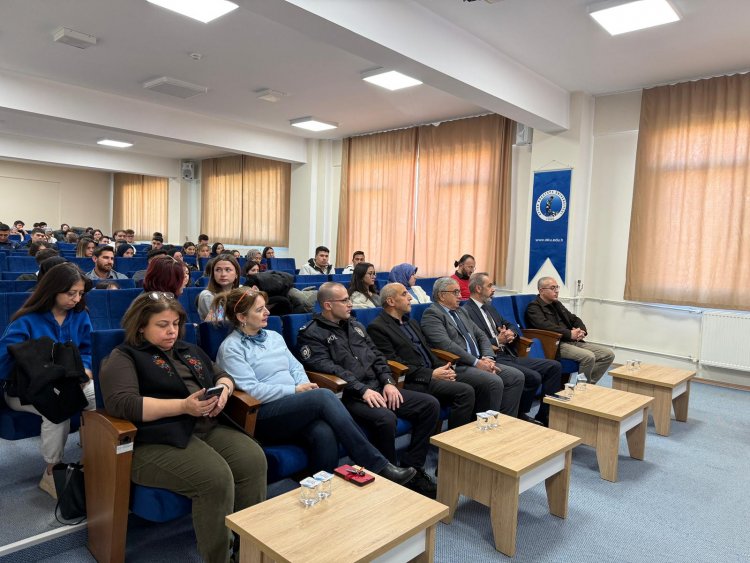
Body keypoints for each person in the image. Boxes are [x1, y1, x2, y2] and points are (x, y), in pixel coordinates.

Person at [99, 292, 266, 563]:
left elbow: (222, 375)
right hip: (155, 439)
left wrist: (223, 392)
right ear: (141, 326)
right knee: (215, 477)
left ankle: (247, 552)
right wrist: (183, 407)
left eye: (176, 324)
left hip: (204, 425)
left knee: (253, 459)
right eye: (162, 325)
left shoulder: (188, 349)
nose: (172, 331)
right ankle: (219, 558)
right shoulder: (124, 356)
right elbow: (123, 404)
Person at [214, 288, 416, 485]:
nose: (267, 312)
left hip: (293, 405)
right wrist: (295, 391)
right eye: (259, 310)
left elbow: (296, 367)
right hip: (263, 413)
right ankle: (375, 464)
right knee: (324, 396)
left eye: (265, 307)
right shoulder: (231, 348)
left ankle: (321, 489)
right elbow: (253, 390)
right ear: (241, 317)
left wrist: (303, 384)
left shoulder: (273, 336)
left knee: (324, 432)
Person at [297, 282, 440, 497]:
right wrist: (362, 389)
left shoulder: (355, 326)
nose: (350, 304)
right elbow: (328, 369)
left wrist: (388, 382)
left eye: (349, 299)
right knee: (385, 418)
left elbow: (378, 357)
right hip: (347, 396)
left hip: (377, 387)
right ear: (328, 305)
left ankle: (413, 467)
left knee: (429, 405)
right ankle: (388, 477)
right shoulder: (311, 334)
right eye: (344, 300)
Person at [0, 262, 97, 499]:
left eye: (80, 293)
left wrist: (86, 370)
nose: (76, 299)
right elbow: (4, 360)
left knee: (100, 397)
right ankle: (53, 471)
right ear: (53, 290)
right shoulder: (27, 320)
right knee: (58, 407)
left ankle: (91, 458)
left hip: (70, 382)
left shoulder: (80, 316)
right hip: (25, 389)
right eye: (71, 293)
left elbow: (88, 350)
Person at [368, 283, 486, 430]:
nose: (410, 297)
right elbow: (393, 363)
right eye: (404, 294)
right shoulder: (378, 328)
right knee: (465, 392)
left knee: (481, 383)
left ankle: (476, 432)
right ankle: (454, 440)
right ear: (391, 301)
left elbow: (428, 351)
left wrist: (443, 369)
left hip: (433, 372)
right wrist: (431, 374)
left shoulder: (411, 322)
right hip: (413, 380)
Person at [464, 273, 561, 426]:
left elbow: (510, 324)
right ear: (478, 288)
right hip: (491, 358)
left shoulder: (489, 307)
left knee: (554, 366)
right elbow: (473, 343)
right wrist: (498, 340)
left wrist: (511, 333)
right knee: (533, 377)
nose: (493, 289)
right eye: (490, 286)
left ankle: (545, 415)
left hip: (508, 353)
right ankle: (517, 415)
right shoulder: (467, 311)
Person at [420, 277, 523, 418]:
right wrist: (477, 363)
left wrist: (488, 357)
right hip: (458, 365)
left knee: (516, 376)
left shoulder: (461, 312)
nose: (460, 296)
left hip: (479, 361)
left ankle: (505, 423)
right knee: (494, 381)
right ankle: (484, 426)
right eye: (455, 292)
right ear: (442, 295)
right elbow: (446, 345)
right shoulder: (432, 314)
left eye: (459, 291)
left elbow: (481, 336)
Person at [525, 277, 615, 384]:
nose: (556, 291)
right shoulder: (534, 308)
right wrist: (569, 334)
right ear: (541, 290)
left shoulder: (557, 304)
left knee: (608, 355)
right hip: (556, 344)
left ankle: (588, 385)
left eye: (557, 287)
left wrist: (581, 331)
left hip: (571, 340)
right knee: (588, 357)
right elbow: (546, 326)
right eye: (552, 288)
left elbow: (574, 319)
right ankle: (582, 389)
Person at [198, 255, 241, 321]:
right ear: (213, 274)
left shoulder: (241, 291)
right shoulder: (207, 295)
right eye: (218, 270)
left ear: (236, 274)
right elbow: (222, 322)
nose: (223, 274)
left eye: (228, 270)